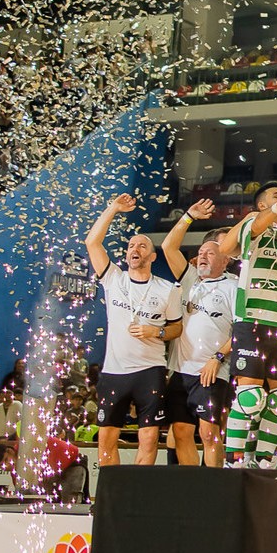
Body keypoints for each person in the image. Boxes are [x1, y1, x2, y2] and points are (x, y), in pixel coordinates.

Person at [83, 194, 182, 467]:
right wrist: (113, 208)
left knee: (149, 438)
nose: (134, 248)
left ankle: (137, 495)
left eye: (141, 245)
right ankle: (110, 496)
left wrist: (156, 333)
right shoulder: (113, 278)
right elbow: (92, 242)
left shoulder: (167, 289)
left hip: (150, 370)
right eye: (130, 245)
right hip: (114, 372)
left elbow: (176, 328)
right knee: (106, 438)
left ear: (151, 256)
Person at [217, 182, 277, 469]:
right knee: (250, 396)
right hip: (252, 319)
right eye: (275, 196)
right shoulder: (254, 222)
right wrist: (275, 208)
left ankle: (263, 461)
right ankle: (233, 461)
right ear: (262, 205)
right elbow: (227, 247)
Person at [161, 203, 237, 468]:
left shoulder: (234, 287)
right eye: (201, 252)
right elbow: (169, 247)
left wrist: (218, 358)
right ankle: (188, 488)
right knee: (181, 432)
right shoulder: (190, 279)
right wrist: (189, 216)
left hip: (213, 371)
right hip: (181, 371)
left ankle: (212, 491)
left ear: (226, 259)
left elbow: (242, 330)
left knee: (209, 433)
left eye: (211, 253)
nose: (203, 256)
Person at [0, 438, 87, 504]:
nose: (5, 466)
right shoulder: (16, 471)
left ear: (10, 451)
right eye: (0, 466)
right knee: (47, 498)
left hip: (72, 463)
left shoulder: (27, 448)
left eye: (5, 460)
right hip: (56, 468)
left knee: (68, 500)